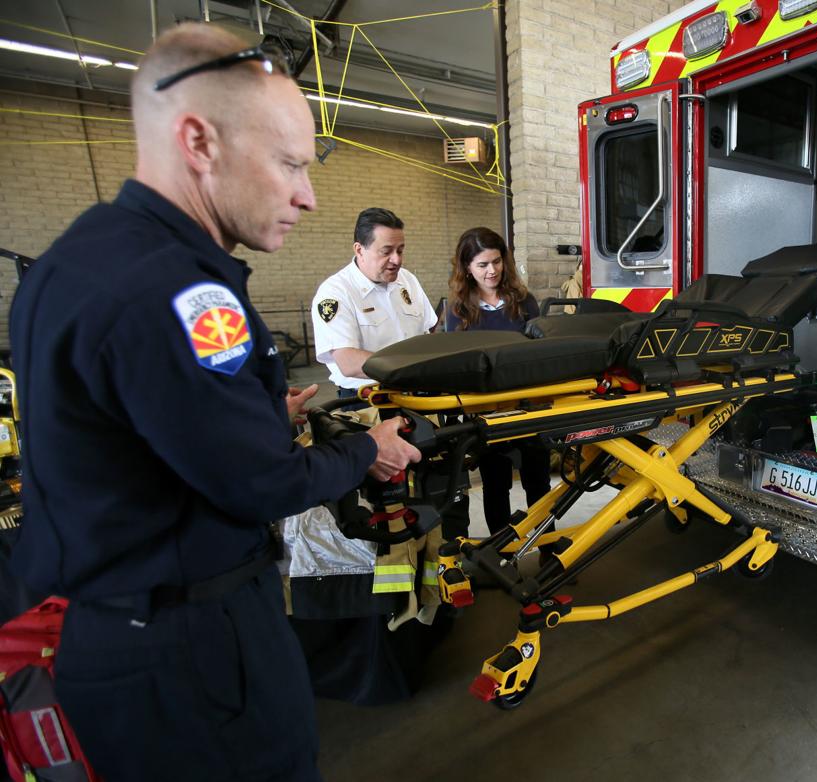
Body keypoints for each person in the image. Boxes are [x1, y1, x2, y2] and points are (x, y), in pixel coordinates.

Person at [7, 23, 421, 782]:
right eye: (289, 163)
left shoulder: (83, 256)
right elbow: (263, 484)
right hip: (195, 649)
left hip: (119, 637)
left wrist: (269, 414)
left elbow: (129, 431)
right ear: (198, 140)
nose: (307, 193)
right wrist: (369, 448)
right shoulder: (181, 288)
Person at [446, 227, 552, 535]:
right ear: (466, 268)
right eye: (482, 265)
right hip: (486, 412)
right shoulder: (458, 311)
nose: (491, 270)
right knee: (496, 486)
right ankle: (501, 556)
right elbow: (456, 363)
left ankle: (547, 547)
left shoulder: (524, 301)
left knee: (539, 484)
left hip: (528, 407)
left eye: (496, 261)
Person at [311, 208, 437, 397]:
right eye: (386, 251)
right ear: (360, 250)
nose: (397, 259)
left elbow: (428, 332)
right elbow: (348, 362)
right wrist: (412, 367)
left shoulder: (408, 280)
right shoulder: (335, 293)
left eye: (400, 250)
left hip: (418, 392)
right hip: (368, 399)